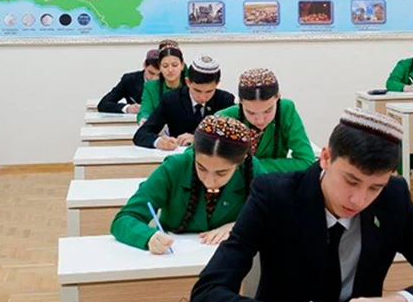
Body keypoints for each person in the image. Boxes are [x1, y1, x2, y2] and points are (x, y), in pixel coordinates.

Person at [190, 108, 413, 302]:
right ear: (326, 158)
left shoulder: (393, 198)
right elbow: (206, 295)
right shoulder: (275, 195)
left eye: (375, 187)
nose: (359, 200)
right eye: (351, 181)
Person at [113, 115, 264, 252]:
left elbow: (274, 215)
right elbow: (125, 218)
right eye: (201, 168)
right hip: (176, 260)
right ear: (194, 152)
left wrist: (239, 226)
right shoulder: (175, 168)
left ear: (240, 162)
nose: (209, 181)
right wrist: (148, 237)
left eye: (221, 173)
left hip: (232, 261)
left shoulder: (251, 169)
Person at [216, 68, 315, 173]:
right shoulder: (223, 120)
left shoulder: (286, 110)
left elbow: (306, 161)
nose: (260, 120)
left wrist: (251, 166)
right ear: (240, 102)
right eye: (251, 112)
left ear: (278, 97)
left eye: (268, 111)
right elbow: (216, 166)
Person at [133, 55, 235, 149]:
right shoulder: (171, 100)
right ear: (188, 82)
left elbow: (235, 137)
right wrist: (158, 141)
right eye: (197, 90)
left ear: (217, 84)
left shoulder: (225, 100)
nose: (202, 97)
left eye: (209, 91)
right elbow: (141, 134)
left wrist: (199, 140)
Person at [137, 41, 186, 124]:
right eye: (165, 66)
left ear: (182, 66)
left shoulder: (190, 85)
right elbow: (145, 110)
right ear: (160, 68)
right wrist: (144, 119)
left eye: (174, 65)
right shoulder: (150, 87)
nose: (170, 70)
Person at [97, 49, 159, 114]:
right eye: (151, 73)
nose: (154, 79)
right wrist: (127, 108)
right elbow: (104, 104)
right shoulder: (130, 80)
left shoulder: (166, 80)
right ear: (144, 66)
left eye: (159, 75)